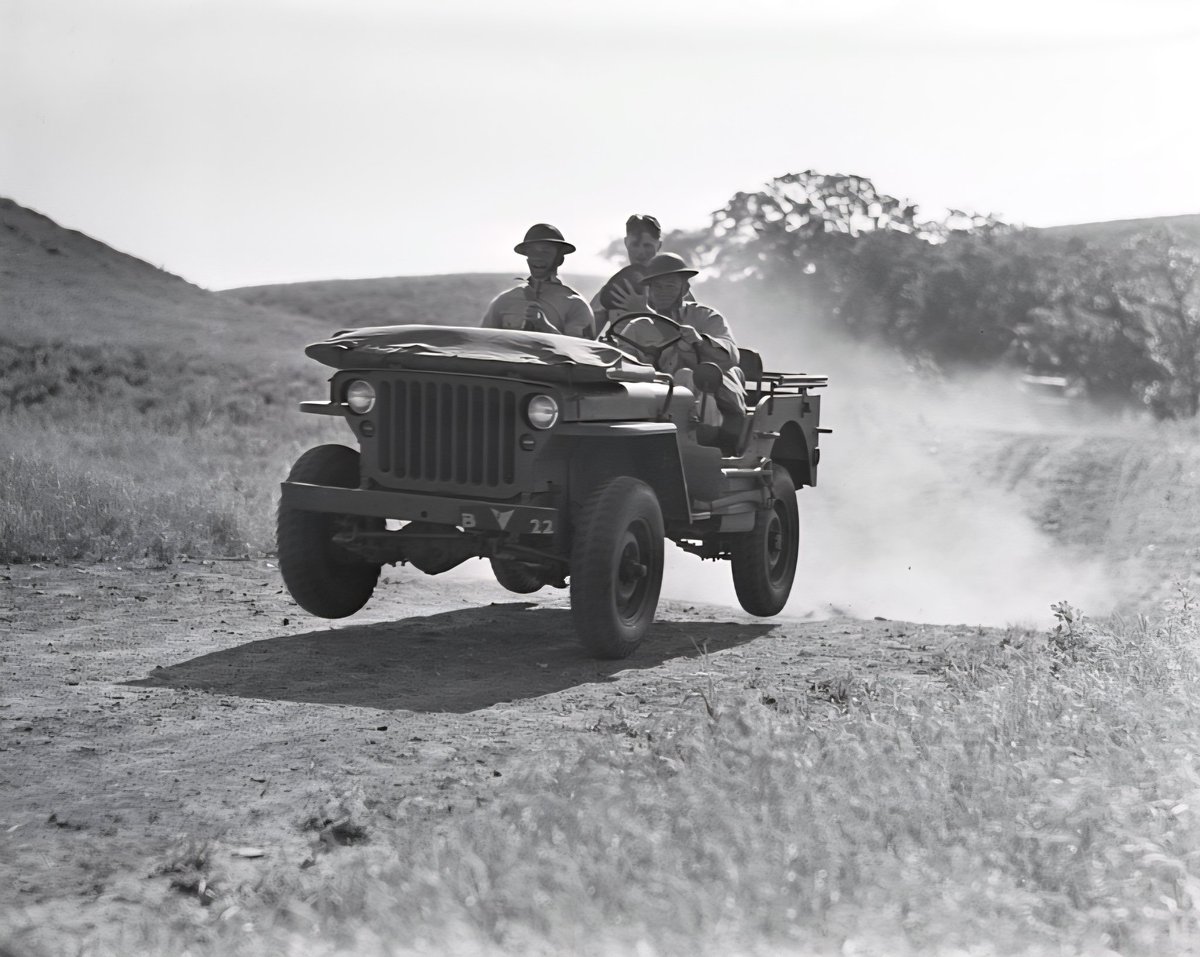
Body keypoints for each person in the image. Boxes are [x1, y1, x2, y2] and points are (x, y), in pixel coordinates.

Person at [629, 252, 748, 448]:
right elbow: (620, 362)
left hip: (708, 399)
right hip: (651, 402)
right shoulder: (637, 327)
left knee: (685, 376)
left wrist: (700, 342)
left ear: (684, 289)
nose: (663, 292)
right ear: (649, 291)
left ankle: (708, 443)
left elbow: (731, 357)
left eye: (670, 286)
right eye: (657, 286)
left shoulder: (706, 317)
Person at [481, 224, 595, 338]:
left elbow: (581, 351)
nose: (538, 257)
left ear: (560, 259)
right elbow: (483, 345)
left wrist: (545, 327)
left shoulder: (576, 305)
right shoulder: (504, 301)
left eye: (546, 252)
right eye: (532, 251)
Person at [590, 214, 694, 331]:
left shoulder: (677, 289)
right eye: (635, 245)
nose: (640, 252)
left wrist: (643, 311)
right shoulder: (615, 288)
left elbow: (688, 339)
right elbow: (587, 335)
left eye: (647, 246)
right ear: (626, 243)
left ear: (659, 245)